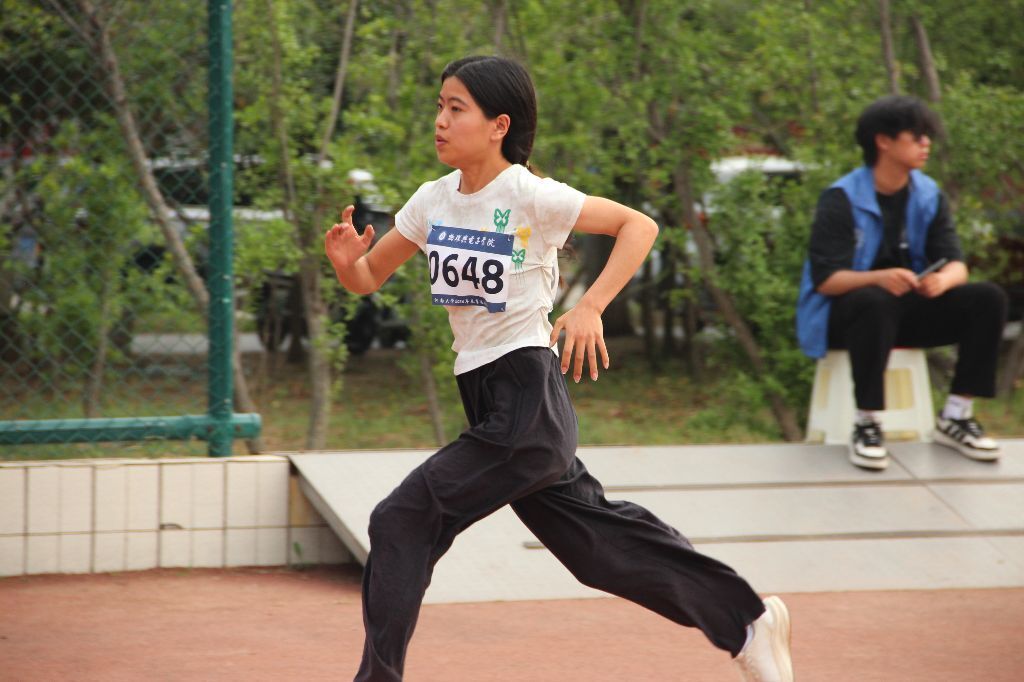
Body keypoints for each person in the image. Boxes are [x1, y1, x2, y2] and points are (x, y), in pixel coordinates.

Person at [325, 56, 794, 682]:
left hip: (525, 396)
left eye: (456, 109)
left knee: (402, 517)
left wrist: (590, 306)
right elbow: (368, 278)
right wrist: (346, 264)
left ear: (499, 125)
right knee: (597, 549)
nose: (440, 121)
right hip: (488, 397)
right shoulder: (431, 201)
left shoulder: (528, 194)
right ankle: (747, 621)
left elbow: (638, 225)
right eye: (439, 106)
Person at [797, 95, 1008, 471]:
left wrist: (941, 281)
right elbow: (826, 280)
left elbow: (957, 264)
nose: (926, 144)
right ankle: (867, 423)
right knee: (874, 300)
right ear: (883, 141)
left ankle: (956, 414)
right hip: (845, 318)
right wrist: (879, 277)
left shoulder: (928, 194)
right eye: (917, 136)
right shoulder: (841, 198)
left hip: (904, 314)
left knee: (988, 298)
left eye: (928, 136)